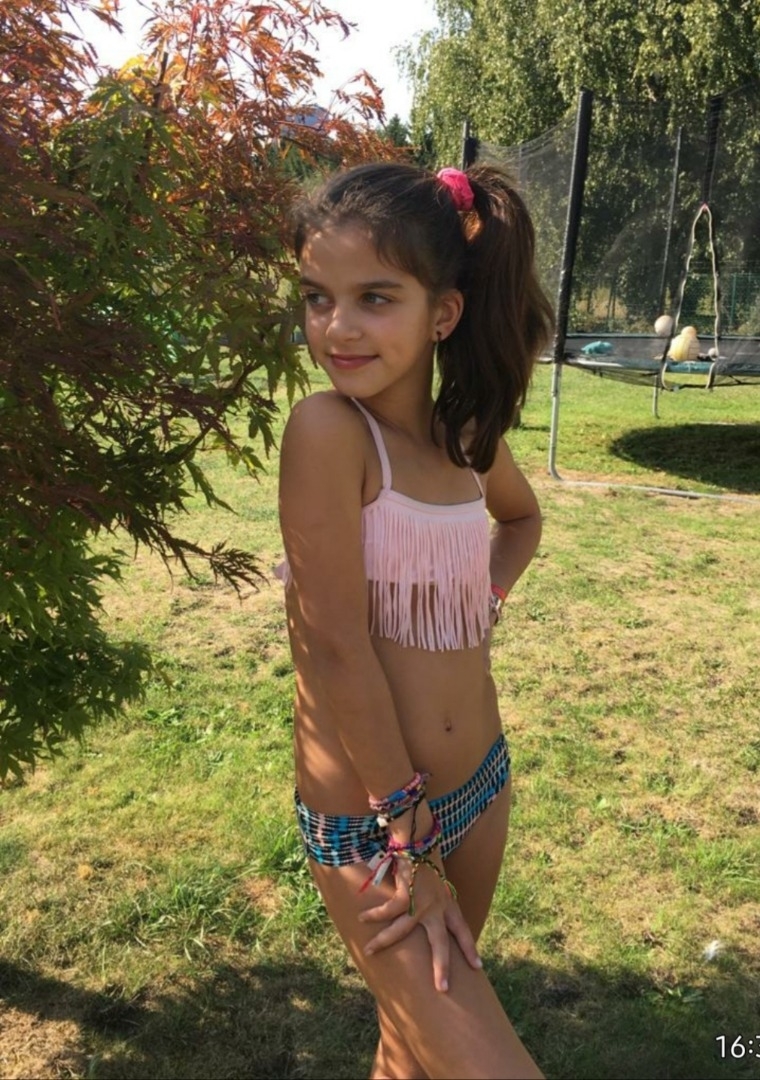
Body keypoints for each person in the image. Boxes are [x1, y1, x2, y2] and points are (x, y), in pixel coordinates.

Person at [277, 161, 554, 1080]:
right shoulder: (329, 433)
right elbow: (334, 645)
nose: (336, 327)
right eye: (317, 297)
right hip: (381, 827)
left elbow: (523, 520)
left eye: (374, 297)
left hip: (480, 787)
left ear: (443, 312)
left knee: (412, 1051)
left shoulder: (463, 437)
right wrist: (410, 836)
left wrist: (484, 602)